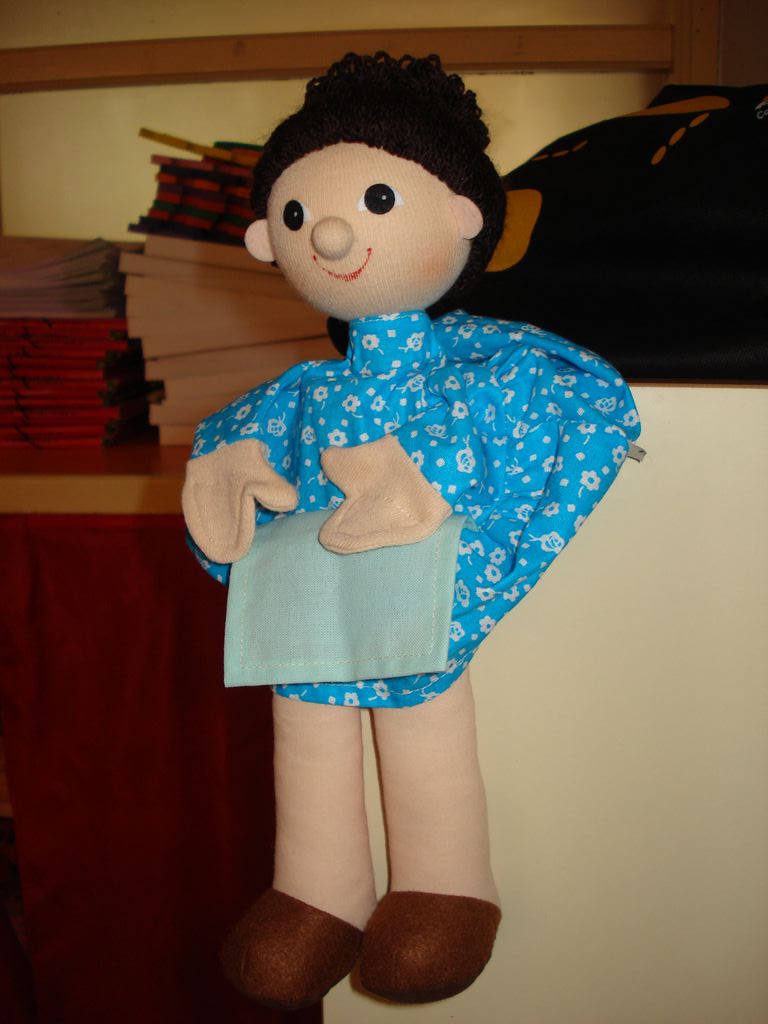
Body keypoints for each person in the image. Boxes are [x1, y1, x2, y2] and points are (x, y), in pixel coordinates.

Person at [183, 51, 641, 1009]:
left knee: (420, 712)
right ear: (267, 239)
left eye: (377, 201)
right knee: (305, 720)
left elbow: (530, 432)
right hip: (307, 600)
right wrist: (230, 471)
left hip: (418, 592)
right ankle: (315, 891)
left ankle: (446, 885)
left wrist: (425, 476)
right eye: (297, 217)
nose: (329, 232)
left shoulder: (490, 369)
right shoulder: (300, 389)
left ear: (464, 217)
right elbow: (241, 448)